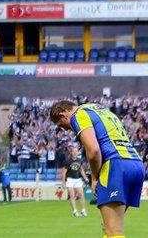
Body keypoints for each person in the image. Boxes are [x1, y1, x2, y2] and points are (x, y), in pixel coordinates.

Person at [50, 101, 144, 237]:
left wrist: (94, 177)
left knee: (113, 231)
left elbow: (93, 150)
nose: (65, 130)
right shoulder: (99, 109)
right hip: (135, 164)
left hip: (116, 165)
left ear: (63, 115)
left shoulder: (78, 114)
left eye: (61, 125)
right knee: (108, 227)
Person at [62, 145, 89, 217]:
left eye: (76, 151)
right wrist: (64, 182)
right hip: (70, 179)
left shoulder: (79, 160)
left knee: (81, 195)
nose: (75, 153)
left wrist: (85, 178)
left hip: (77, 179)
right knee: (72, 195)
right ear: (71, 152)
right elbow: (64, 172)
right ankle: (75, 211)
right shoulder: (67, 161)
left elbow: (81, 170)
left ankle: (83, 210)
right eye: (74, 151)